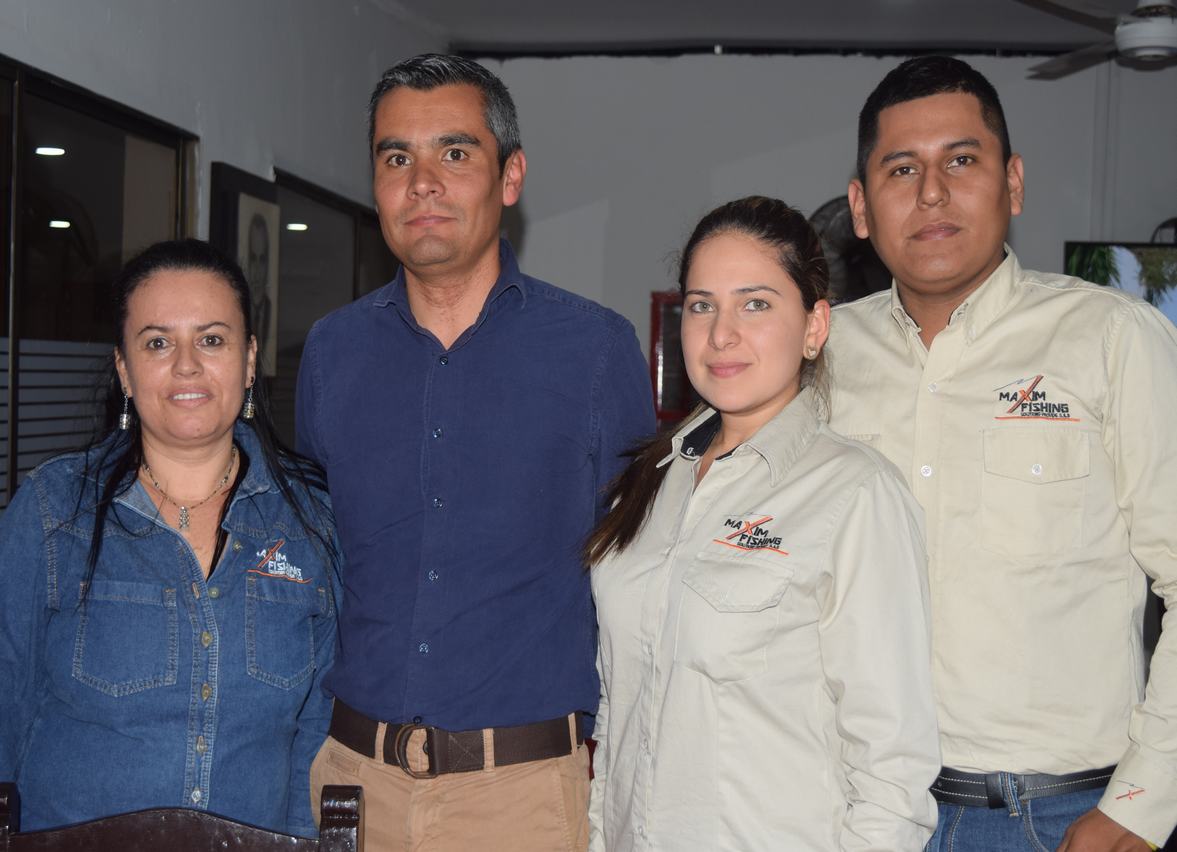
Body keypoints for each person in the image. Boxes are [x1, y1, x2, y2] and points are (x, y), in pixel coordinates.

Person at [296, 54, 654, 852]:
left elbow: (637, 578)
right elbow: (316, 564)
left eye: (454, 153)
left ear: (510, 175)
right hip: (352, 784)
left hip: (521, 797)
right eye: (397, 158)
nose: (422, 182)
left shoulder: (595, 351)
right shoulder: (331, 353)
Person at [828, 55, 1177, 851]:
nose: (931, 193)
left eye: (961, 160)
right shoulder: (816, 357)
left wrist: (1141, 804)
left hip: (1056, 818)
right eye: (900, 169)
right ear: (860, 207)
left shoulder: (1111, 340)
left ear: (1012, 183)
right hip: (853, 812)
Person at [586, 196, 941, 851]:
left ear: (813, 326)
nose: (721, 334)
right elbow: (619, 711)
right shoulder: (649, 480)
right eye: (702, 306)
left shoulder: (855, 493)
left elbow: (892, 771)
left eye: (754, 304)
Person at [0, 239, 341, 836]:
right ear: (124, 369)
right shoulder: (54, 512)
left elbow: (314, 735)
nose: (186, 365)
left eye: (212, 340)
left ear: (249, 359)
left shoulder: (309, 522)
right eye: (157, 343)